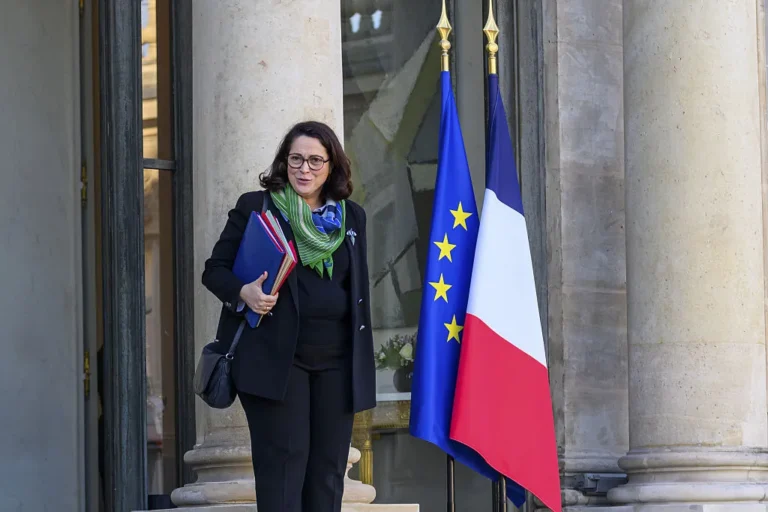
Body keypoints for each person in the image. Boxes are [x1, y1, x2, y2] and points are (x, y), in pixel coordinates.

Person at [201, 120, 376, 512]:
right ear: (284, 162)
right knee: (284, 467)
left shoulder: (352, 218)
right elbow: (215, 270)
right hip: (276, 361)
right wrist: (244, 293)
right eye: (295, 159)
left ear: (332, 166)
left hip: (338, 363)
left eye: (315, 160)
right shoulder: (256, 207)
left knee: (328, 473)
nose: (304, 169)